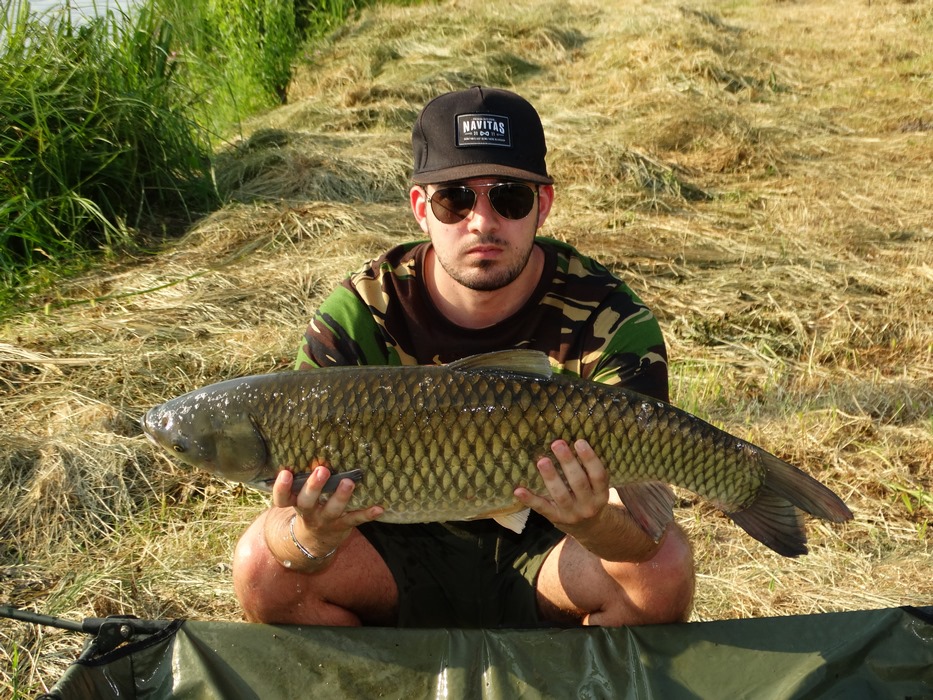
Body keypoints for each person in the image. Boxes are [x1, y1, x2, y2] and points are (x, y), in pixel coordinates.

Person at [232, 86, 695, 628]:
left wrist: (591, 522)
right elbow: (285, 523)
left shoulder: (607, 316)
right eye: (455, 199)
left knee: (662, 571)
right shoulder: (361, 311)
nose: (482, 222)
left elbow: (643, 531)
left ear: (543, 205)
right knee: (262, 567)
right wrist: (312, 534)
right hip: (391, 548)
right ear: (420, 208)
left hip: (551, 552)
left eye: (510, 198)